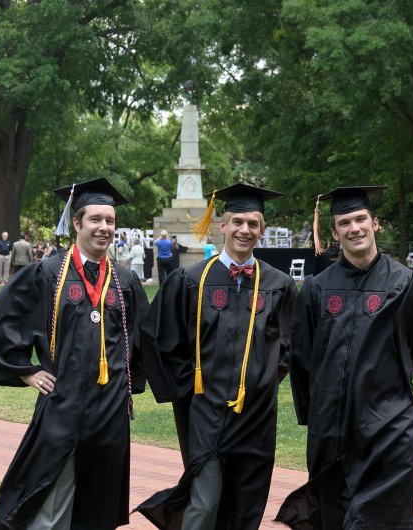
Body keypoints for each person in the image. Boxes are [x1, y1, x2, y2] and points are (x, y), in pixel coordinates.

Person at [0, 177, 149, 530]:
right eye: (95, 220)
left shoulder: (125, 281)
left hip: (109, 412)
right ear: (77, 223)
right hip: (62, 405)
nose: (104, 228)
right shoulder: (48, 273)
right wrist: (24, 370)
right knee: (50, 502)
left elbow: (145, 339)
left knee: (98, 503)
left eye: (110, 221)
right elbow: (1, 319)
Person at [136, 183, 297, 530]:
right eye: (237, 221)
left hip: (257, 415)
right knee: (205, 501)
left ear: (262, 230)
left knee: (246, 504)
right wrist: (186, 390)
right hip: (206, 413)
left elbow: (290, 344)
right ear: (221, 225)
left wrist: (264, 377)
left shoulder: (279, 284)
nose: (245, 230)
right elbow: (158, 335)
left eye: (253, 223)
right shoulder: (191, 279)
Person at [276, 186, 413, 530]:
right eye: (344, 222)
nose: (354, 228)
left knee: (384, 517)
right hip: (331, 429)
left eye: (361, 219)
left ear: (375, 224)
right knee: (333, 515)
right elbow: (302, 359)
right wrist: (316, 414)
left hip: (388, 425)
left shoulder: (407, 285)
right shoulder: (316, 288)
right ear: (334, 232)